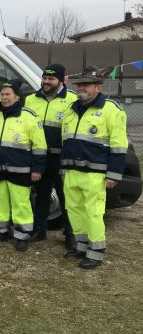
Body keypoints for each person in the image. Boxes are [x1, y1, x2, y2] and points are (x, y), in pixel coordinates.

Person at [61, 66, 128, 269]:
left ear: (98, 87)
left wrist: (113, 174)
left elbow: (119, 145)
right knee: (74, 211)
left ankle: (96, 252)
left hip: (95, 173)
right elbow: (66, 142)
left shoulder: (111, 110)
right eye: (80, 84)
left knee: (93, 212)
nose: (82, 88)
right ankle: (81, 246)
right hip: (72, 171)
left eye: (86, 85)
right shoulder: (71, 109)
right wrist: (63, 169)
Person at [0, 80, 47, 252]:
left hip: (20, 170)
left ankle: (22, 235)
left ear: (17, 96)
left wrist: (37, 169)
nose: (4, 97)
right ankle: (1, 230)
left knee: (20, 203)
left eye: (8, 94)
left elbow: (39, 145)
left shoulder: (29, 117)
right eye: (2, 94)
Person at [24, 64, 77, 245]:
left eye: (51, 79)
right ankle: (40, 229)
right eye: (44, 78)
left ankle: (70, 233)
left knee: (65, 197)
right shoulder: (31, 99)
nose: (46, 82)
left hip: (61, 158)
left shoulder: (72, 100)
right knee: (41, 194)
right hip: (39, 157)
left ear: (61, 80)